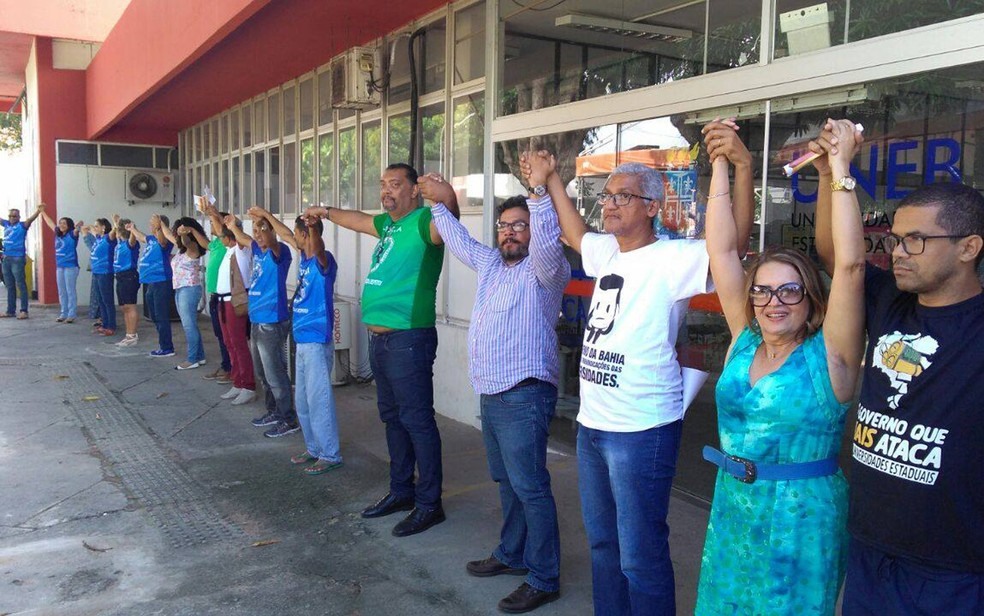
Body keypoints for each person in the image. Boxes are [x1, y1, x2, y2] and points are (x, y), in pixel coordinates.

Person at [525, 136, 754, 615]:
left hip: (642, 429)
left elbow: (734, 244)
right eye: (606, 196)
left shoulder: (674, 258)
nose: (609, 205)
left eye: (621, 197)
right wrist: (550, 181)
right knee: (604, 546)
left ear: (652, 205)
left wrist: (737, 167)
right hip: (593, 425)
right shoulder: (607, 252)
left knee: (639, 553)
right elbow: (573, 232)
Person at [695, 119, 865, 615]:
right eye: (762, 290)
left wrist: (839, 169)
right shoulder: (744, 340)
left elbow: (851, 266)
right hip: (733, 504)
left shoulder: (831, 353)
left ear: (811, 300)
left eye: (789, 290)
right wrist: (722, 164)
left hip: (803, 518)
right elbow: (723, 251)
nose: (774, 302)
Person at [811, 128, 984, 615]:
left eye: (917, 239)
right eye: (895, 237)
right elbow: (836, 256)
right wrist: (828, 175)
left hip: (951, 569)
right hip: (869, 546)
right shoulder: (890, 298)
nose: (898, 250)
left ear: (969, 247)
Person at [420, 168, 569, 613]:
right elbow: (456, 235)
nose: (510, 234)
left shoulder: (548, 269)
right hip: (492, 392)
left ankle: (545, 577)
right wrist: (436, 199)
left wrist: (540, 194)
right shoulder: (489, 263)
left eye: (520, 226)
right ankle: (513, 553)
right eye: (505, 226)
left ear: (535, 231)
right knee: (508, 482)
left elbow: (544, 243)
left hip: (525, 394)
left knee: (530, 486)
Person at [305, 162, 458, 538]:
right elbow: (357, 220)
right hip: (382, 341)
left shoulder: (425, 222)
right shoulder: (388, 225)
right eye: (383, 185)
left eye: (395, 184)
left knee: (418, 422)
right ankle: (402, 491)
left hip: (408, 338)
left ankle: (429, 504)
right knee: (392, 418)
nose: (386, 191)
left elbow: (450, 224)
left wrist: (449, 197)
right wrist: (324, 212)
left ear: (414, 190)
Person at [264, 209, 344, 474]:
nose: (293, 239)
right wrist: (266, 214)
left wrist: (312, 229)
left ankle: (330, 454)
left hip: (316, 340)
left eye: (298, 235)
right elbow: (285, 234)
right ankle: (314, 448)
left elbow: (317, 249)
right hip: (301, 339)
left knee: (318, 399)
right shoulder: (303, 260)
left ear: (305, 235)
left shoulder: (324, 262)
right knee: (304, 400)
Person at [226, 208, 298, 438]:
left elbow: (280, 237)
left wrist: (268, 218)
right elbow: (245, 239)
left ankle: (288, 419)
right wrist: (232, 226)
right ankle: (274, 412)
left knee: (275, 374)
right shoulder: (258, 250)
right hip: (257, 321)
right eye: (255, 230)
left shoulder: (280, 251)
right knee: (264, 374)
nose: (257, 234)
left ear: (272, 232)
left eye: (262, 230)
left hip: (271, 322)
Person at [204, 202, 255, 406]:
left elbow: (239, 237)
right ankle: (238, 380)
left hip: (234, 302)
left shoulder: (240, 250)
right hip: (222, 301)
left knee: (239, 344)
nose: (219, 236)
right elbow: (219, 229)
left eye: (223, 235)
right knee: (229, 343)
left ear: (231, 236)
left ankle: (248, 385)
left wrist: (232, 224)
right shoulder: (227, 249)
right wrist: (214, 213)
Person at [162, 217, 208, 370]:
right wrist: (161, 224)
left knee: (189, 326)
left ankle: (192, 359)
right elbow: (169, 235)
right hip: (181, 289)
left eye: (178, 231)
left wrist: (184, 234)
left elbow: (187, 242)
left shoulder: (193, 246)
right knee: (190, 325)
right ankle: (200, 356)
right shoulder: (181, 249)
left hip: (189, 289)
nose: (175, 234)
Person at [130, 214, 175, 357]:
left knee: (161, 315)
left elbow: (162, 242)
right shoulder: (150, 239)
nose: (150, 224)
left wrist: (160, 226)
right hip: (150, 282)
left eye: (152, 222)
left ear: (160, 224)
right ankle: (163, 343)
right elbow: (141, 236)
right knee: (154, 314)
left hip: (161, 281)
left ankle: (167, 347)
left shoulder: (166, 239)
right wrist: (132, 229)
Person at [200, 198, 233, 382]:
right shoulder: (215, 243)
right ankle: (225, 365)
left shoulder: (224, 242)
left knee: (225, 335)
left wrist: (213, 214)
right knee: (220, 334)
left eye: (214, 222)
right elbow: (204, 243)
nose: (211, 225)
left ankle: (229, 368)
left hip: (225, 298)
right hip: (215, 295)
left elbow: (220, 229)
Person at [38, 208, 81, 323]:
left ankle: (71, 314)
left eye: (64, 223)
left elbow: (77, 230)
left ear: (69, 225)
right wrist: (42, 212)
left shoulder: (72, 234)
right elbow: (49, 222)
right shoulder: (57, 234)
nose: (61, 225)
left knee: (70, 290)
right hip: (60, 266)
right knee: (62, 291)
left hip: (71, 266)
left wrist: (78, 226)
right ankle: (63, 313)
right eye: (60, 223)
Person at [1, 204, 43, 319]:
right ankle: (10, 311)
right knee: (10, 286)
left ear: (19, 217)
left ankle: (24, 310)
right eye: (10, 216)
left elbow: (30, 220)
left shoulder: (22, 226)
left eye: (15, 216)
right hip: (6, 258)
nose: (12, 218)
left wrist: (38, 211)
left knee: (21, 284)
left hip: (17, 258)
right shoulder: (6, 224)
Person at [111, 215, 141, 347]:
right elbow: (118, 230)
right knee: (124, 307)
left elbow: (133, 239)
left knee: (130, 306)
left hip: (129, 275)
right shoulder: (120, 243)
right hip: (120, 276)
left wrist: (132, 228)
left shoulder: (130, 243)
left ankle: (132, 335)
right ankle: (128, 334)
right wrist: (116, 222)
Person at [86, 218, 117, 336]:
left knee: (107, 300)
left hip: (105, 272)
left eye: (97, 226)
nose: (95, 228)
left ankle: (111, 326)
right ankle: (104, 324)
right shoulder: (98, 239)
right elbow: (90, 229)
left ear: (103, 227)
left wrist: (115, 224)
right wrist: (90, 227)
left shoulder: (108, 239)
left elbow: (114, 231)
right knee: (101, 300)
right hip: (97, 272)